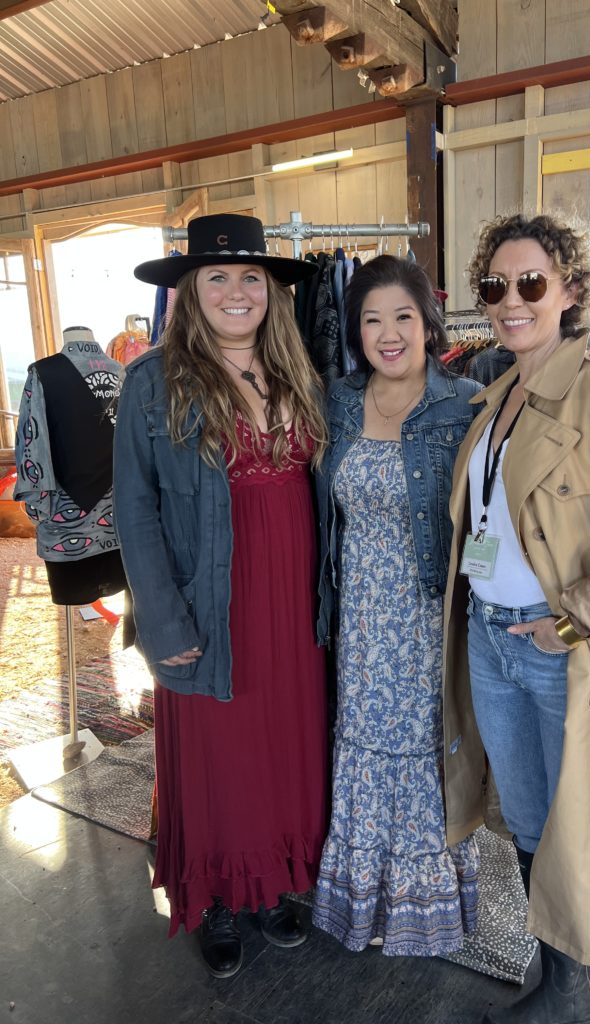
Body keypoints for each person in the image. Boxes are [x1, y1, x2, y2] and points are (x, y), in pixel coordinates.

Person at [441, 211, 590, 1024]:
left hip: (558, 648)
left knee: (577, 814)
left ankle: (573, 989)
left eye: (530, 283)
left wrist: (575, 623)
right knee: (526, 814)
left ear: (570, 290)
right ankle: (557, 966)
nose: (510, 300)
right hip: (491, 637)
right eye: (494, 286)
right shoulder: (496, 397)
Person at [113, 214, 329, 979]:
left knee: (281, 753)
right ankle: (219, 900)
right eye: (218, 278)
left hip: (293, 605)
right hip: (210, 605)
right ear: (189, 291)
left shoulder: (301, 371)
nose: (237, 292)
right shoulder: (151, 382)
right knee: (217, 760)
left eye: (250, 278)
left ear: (270, 290)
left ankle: (271, 888)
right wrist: (162, 621)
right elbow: (133, 512)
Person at [312, 254, 482, 955]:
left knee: (424, 747)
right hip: (359, 614)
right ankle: (367, 904)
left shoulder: (466, 401)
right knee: (362, 743)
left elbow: (491, 514)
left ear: (428, 324)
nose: (387, 333)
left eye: (402, 317)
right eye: (371, 319)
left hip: (426, 614)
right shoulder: (338, 401)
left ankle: (427, 909)